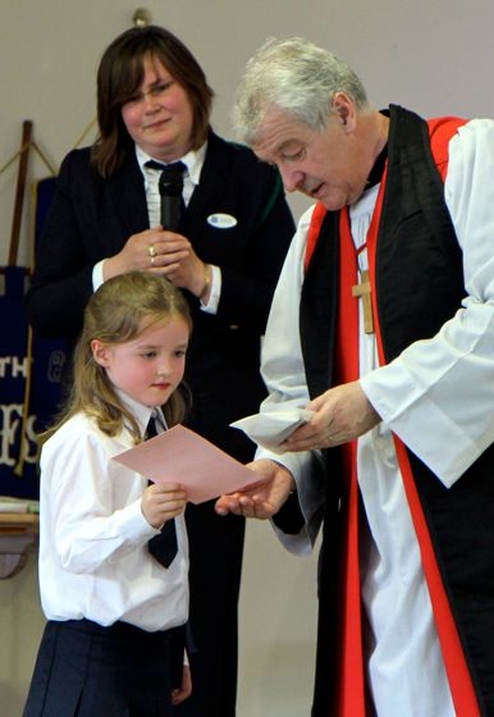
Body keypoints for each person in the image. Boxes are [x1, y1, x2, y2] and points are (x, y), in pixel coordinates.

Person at [216, 37, 494, 716]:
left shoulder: (469, 160)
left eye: (293, 153)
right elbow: (292, 384)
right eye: (275, 166)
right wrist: (283, 469)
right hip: (384, 549)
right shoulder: (314, 240)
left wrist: (378, 398)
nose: (289, 182)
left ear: (344, 111)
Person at [25, 25, 295, 715]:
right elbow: (44, 304)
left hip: (212, 439)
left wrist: (208, 281)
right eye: (129, 98)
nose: (149, 108)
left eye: (161, 87)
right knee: (113, 584)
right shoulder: (87, 177)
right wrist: (109, 270)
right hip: (117, 433)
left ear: (193, 89)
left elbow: (294, 309)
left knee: (203, 613)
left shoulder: (254, 176)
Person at [23, 271, 192, 716]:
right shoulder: (86, 440)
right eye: (149, 353)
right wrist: (143, 516)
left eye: (178, 353)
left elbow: (168, 561)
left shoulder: (161, 431)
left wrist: (177, 645)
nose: (166, 369)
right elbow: (74, 549)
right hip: (94, 657)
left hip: (152, 654)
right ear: (102, 352)